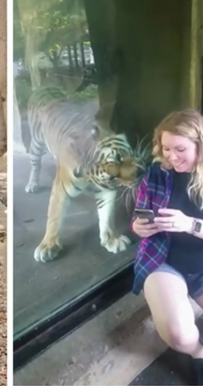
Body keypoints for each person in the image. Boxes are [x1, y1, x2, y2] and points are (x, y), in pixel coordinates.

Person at [132, 108, 203, 383]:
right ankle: (198, 353)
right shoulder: (156, 174)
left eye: (180, 149)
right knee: (179, 334)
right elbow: (140, 212)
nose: (172, 157)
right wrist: (138, 227)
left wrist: (189, 225)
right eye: (166, 148)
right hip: (162, 260)